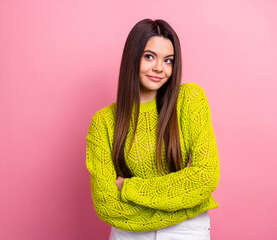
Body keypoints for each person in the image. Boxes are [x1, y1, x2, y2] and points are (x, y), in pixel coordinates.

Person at [85, 18, 220, 240]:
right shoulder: (104, 122)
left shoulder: (189, 100)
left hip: (186, 232)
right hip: (129, 234)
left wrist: (128, 189)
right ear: (132, 58)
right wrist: (186, 205)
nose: (159, 67)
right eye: (149, 57)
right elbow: (107, 206)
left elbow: (205, 177)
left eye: (168, 60)